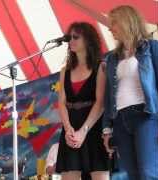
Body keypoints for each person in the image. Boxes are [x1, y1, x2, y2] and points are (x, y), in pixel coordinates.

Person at [102, 5, 158, 179]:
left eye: (113, 23)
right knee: (133, 174)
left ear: (127, 22)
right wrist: (107, 130)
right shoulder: (111, 58)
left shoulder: (151, 47)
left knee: (148, 172)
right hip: (120, 120)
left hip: (146, 115)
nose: (109, 28)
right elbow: (107, 97)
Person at [55, 22, 109, 180]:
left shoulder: (101, 67)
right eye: (69, 37)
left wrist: (83, 131)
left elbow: (100, 103)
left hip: (93, 127)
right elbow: (62, 103)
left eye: (75, 37)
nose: (70, 40)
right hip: (71, 129)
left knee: (100, 174)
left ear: (88, 40)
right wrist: (68, 129)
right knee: (69, 175)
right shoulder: (65, 70)